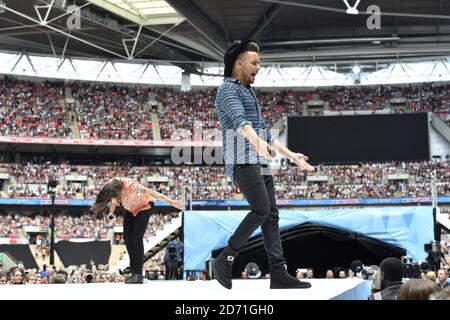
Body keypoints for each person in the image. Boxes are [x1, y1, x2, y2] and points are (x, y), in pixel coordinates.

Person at [213, 40, 314, 290]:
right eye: (254, 62)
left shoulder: (248, 91)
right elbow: (240, 122)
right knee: (261, 210)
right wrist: (256, 142)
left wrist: (292, 156)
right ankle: (224, 259)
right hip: (242, 158)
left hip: (258, 159)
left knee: (271, 217)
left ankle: (279, 273)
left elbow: (265, 132)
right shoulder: (227, 90)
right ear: (239, 64)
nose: (259, 66)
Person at [91, 177, 183, 284]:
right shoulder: (111, 184)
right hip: (130, 208)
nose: (117, 200)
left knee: (136, 239)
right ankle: (134, 272)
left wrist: (171, 202)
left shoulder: (133, 187)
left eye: (117, 197)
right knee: (127, 238)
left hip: (144, 207)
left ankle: (138, 274)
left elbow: (153, 193)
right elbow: (112, 198)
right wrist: (111, 211)